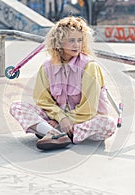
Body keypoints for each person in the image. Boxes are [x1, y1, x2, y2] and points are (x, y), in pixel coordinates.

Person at [10, 16, 116, 150]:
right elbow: (42, 100)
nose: (76, 45)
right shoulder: (47, 67)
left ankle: (49, 132)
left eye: (80, 40)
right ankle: (57, 134)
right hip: (57, 119)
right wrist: (60, 118)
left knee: (109, 124)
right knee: (16, 107)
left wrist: (65, 120)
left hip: (85, 120)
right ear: (59, 42)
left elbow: (88, 108)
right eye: (71, 40)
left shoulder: (89, 66)